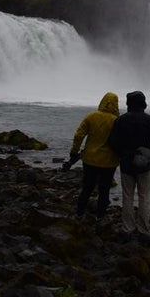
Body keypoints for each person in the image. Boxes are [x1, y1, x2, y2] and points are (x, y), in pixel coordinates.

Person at [108, 90, 150, 241]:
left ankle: (127, 229)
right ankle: (144, 231)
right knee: (144, 197)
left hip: (126, 164)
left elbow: (112, 142)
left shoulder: (121, 120)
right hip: (144, 165)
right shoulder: (149, 120)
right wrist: (148, 155)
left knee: (127, 196)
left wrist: (123, 155)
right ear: (143, 103)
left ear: (128, 104)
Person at [63, 91, 120, 221]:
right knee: (104, 190)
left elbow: (79, 135)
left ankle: (79, 214)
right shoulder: (117, 121)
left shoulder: (91, 116)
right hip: (109, 161)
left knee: (87, 188)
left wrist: (74, 151)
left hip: (90, 159)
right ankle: (100, 217)